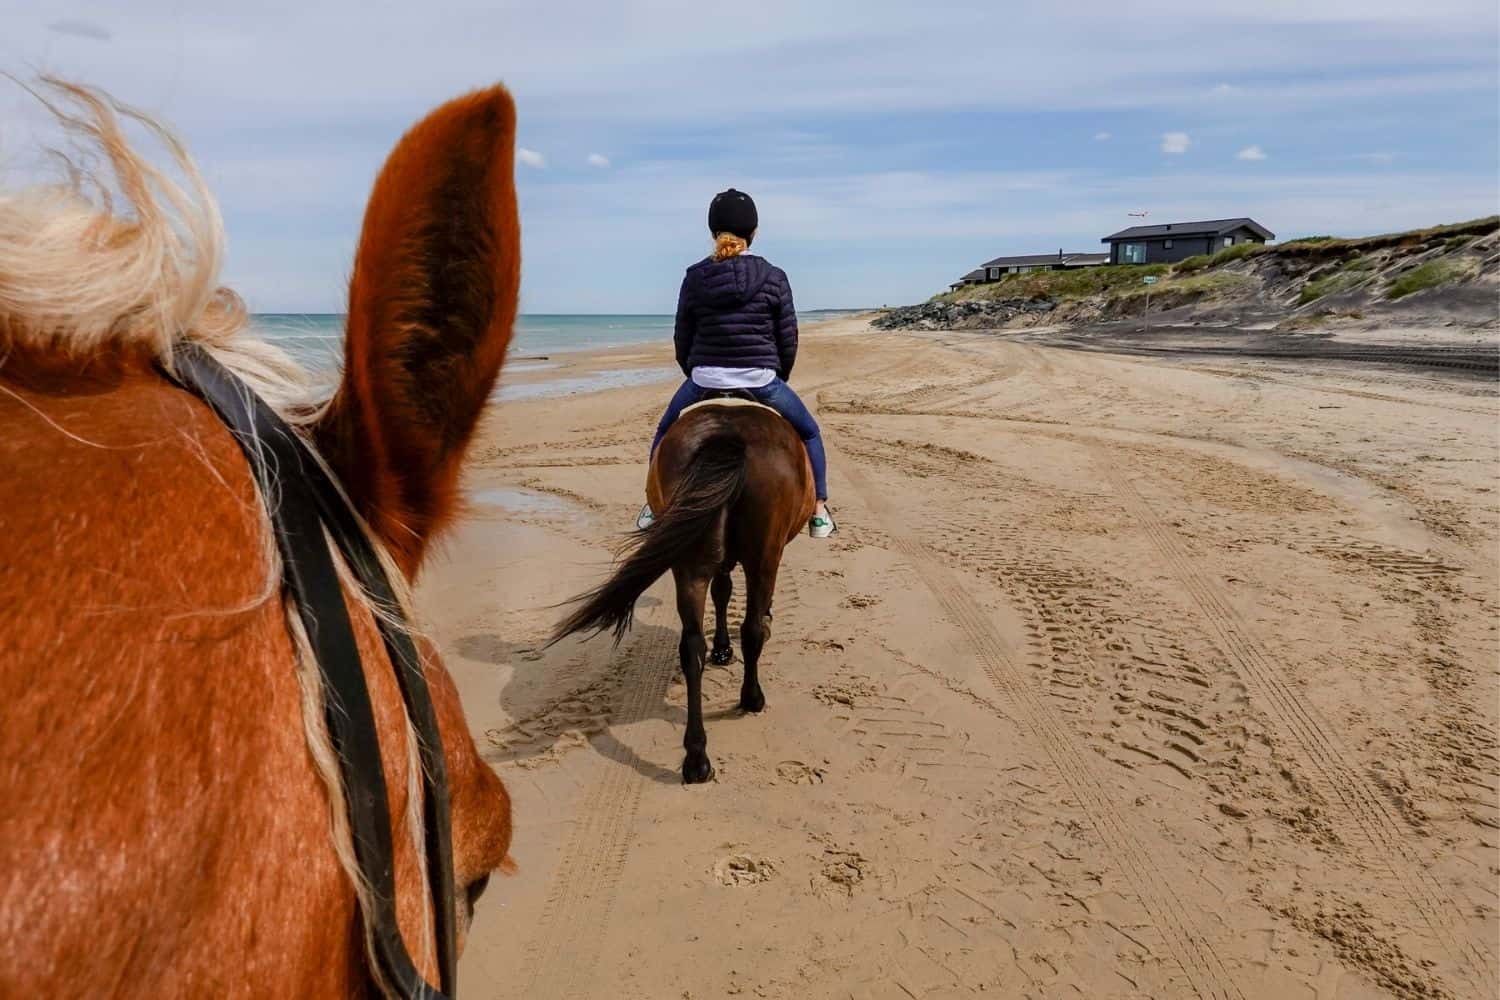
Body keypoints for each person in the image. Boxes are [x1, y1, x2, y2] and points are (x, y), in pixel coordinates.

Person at [639, 188, 835, 538]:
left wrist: (695, 372)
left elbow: (682, 334)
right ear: (753, 233)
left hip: (704, 379)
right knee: (808, 431)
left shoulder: (694, 276)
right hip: (761, 380)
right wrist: (777, 376)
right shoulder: (774, 276)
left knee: (665, 431)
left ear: (713, 233)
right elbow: (787, 336)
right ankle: (819, 509)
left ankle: (653, 507)